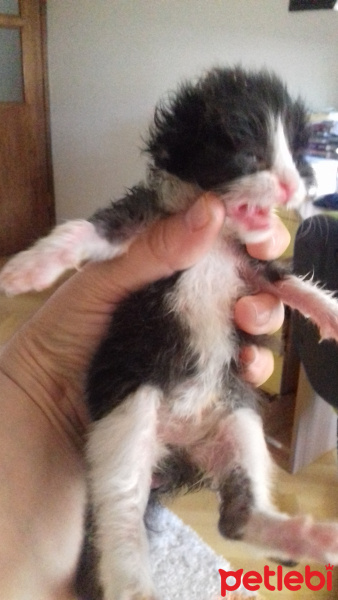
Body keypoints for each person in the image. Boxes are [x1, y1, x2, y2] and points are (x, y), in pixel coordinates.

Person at [0, 194, 289, 600]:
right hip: (132, 394)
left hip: (161, 404)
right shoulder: (168, 214)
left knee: (236, 409)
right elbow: (102, 232)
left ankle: (247, 507)